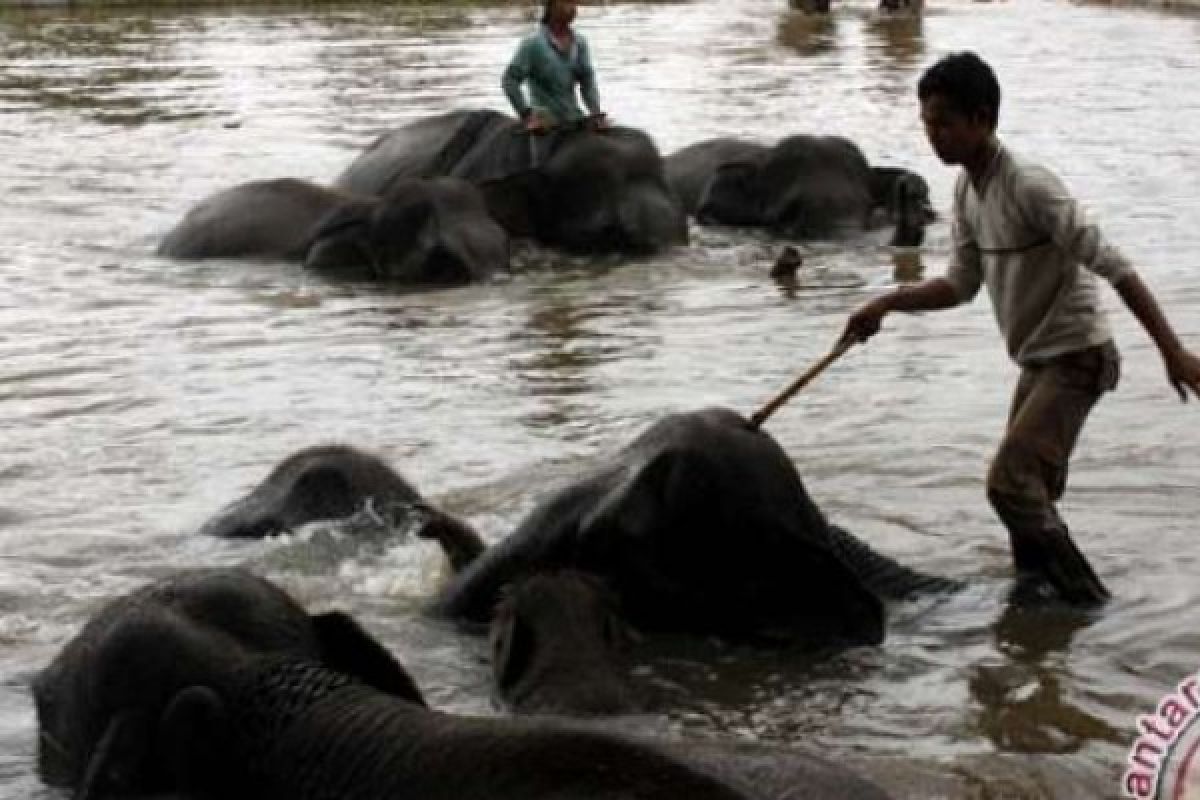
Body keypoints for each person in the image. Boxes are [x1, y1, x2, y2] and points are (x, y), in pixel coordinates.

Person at [842, 51, 1200, 606]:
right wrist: (887, 302)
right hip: (1038, 361)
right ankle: (1036, 627)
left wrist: (1173, 351)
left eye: (943, 122)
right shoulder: (966, 191)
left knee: (1009, 484)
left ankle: (1091, 604)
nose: (933, 135)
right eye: (926, 123)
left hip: (1078, 356)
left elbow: (1116, 265)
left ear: (982, 119)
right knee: (1029, 507)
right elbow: (960, 285)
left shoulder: (1030, 186)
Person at [502, 0, 609, 136]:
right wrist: (527, 115)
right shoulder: (533, 44)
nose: (572, 9)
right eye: (566, 3)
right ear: (551, 7)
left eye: (573, 3)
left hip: (574, 118)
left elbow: (587, 80)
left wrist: (595, 112)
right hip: (544, 124)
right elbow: (509, 80)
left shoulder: (580, 42)